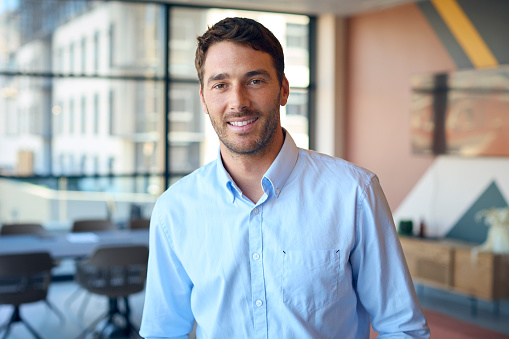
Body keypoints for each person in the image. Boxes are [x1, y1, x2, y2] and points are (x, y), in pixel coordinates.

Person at [140, 17, 430, 339]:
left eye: (255, 81)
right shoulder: (174, 210)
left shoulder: (354, 194)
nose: (238, 102)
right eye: (220, 84)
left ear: (284, 89)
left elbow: (403, 328)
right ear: (204, 99)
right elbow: (163, 333)